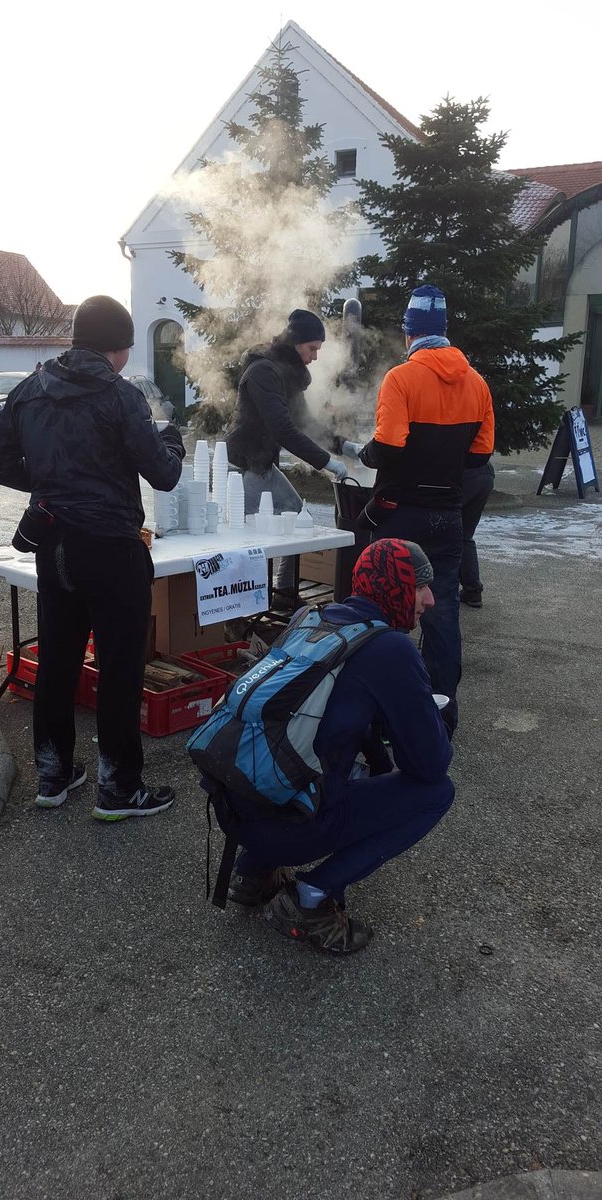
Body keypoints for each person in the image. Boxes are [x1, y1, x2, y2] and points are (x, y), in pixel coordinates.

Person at [0, 295, 185, 820]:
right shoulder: (121, 397)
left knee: (58, 658)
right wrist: (176, 444)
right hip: (112, 548)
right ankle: (118, 789)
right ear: (116, 349)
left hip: (55, 545)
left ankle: (53, 774)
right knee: (119, 668)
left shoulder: (30, 389)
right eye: (125, 349)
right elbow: (163, 474)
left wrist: (51, 486)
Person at [219, 538, 454, 956]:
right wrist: (433, 717)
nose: (431, 599)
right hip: (291, 824)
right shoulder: (391, 648)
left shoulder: (312, 618)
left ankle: (253, 872)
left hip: (234, 811)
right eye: (420, 586)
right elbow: (430, 766)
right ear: (396, 588)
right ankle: (310, 897)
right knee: (437, 794)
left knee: (322, 756)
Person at [346, 285, 494, 735]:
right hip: (447, 517)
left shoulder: (401, 379)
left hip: (399, 514)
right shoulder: (477, 382)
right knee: (441, 615)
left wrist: (364, 454)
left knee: (381, 614)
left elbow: (389, 444)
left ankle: (385, 718)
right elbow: (479, 455)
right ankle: (441, 718)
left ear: (409, 334)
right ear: (444, 332)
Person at [226, 308, 348, 595]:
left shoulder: (285, 373)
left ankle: (283, 591)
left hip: (262, 463)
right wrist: (327, 463)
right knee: (242, 541)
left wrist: (345, 447)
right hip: (242, 467)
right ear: (296, 342)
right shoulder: (264, 372)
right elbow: (283, 429)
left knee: (295, 514)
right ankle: (238, 608)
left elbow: (305, 422)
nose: (315, 356)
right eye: (312, 348)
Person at [460, 461, 495, 607]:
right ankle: (473, 590)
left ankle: (436, 591)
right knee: (465, 536)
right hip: (484, 472)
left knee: (440, 532)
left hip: (459, 474)